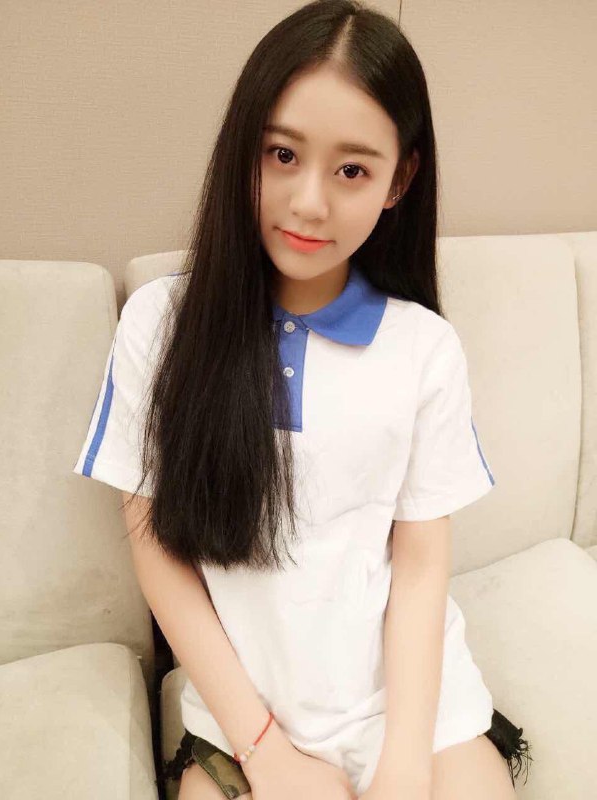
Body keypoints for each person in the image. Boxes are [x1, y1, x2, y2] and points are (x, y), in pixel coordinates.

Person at [72, 1, 532, 798]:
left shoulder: (423, 347)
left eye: (352, 170)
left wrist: (402, 767)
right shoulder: (161, 323)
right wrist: (267, 753)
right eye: (282, 154)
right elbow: (156, 550)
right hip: (244, 723)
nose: (309, 202)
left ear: (400, 180)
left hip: (414, 714)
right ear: (243, 149)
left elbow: (421, 567)